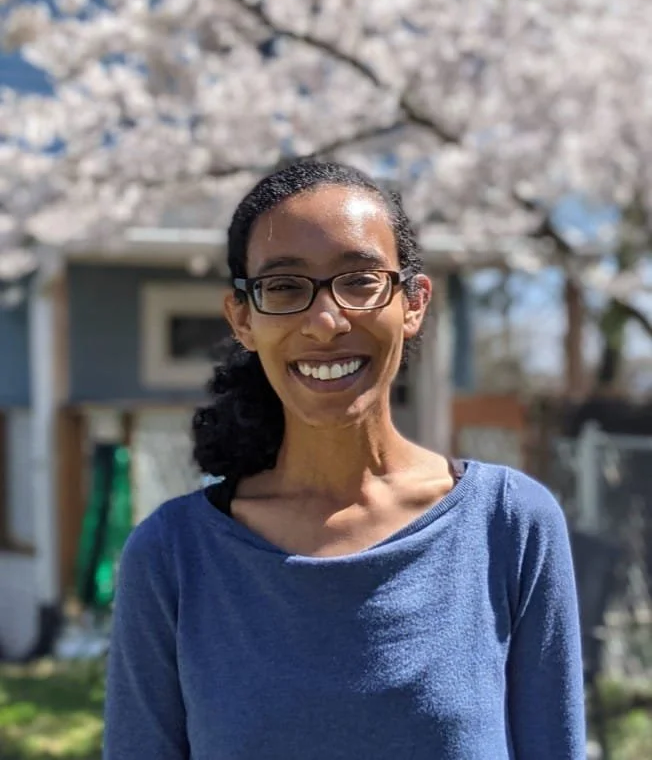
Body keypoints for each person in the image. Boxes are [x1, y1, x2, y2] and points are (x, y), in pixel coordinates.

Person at [103, 161, 585, 759]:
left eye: (359, 280)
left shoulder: (511, 526)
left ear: (413, 303)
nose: (326, 321)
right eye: (284, 287)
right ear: (243, 319)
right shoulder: (172, 557)